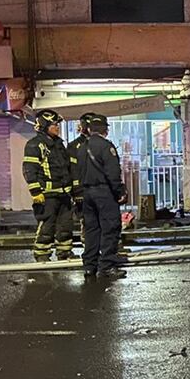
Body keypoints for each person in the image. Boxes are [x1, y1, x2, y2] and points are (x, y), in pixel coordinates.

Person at [77, 115, 128, 279]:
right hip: (104, 193)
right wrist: (120, 192)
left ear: (89, 129)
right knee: (110, 228)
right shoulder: (106, 147)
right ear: (105, 129)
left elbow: (78, 172)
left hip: (87, 193)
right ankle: (107, 265)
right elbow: (112, 173)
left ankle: (89, 266)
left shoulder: (81, 148)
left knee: (91, 230)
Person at [22, 109, 75, 262]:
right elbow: (29, 169)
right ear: (44, 126)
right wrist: (36, 191)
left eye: (57, 124)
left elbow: (66, 168)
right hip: (47, 194)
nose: (57, 127)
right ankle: (42, 253)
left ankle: (64, 252)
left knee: (65, 225)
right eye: (54, 125)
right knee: (47, 225)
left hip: (64, 194)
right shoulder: (34, 145)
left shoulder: (59, 144)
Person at [67, 112, 97, 245]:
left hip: (99, 189)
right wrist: (77, 190)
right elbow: (73, 170)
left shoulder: (100, 143)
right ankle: (88, 246)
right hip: (83, 189)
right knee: (86, 219)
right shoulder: (74, 146)